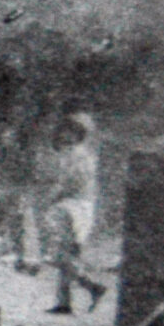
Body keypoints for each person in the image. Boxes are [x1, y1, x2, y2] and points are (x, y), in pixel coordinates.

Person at [44, 114, 105, 315]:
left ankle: (92, 285)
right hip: (79, 206)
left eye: (68, 131)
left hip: (72, 206)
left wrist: (53, 197)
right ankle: (64, 302)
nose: (63, 135)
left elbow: (70, 183)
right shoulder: (78, 155)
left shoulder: (77, 156)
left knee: (60, 254)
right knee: (66, 253)